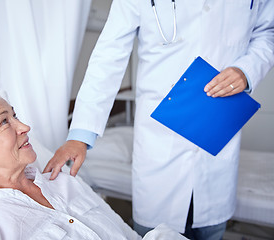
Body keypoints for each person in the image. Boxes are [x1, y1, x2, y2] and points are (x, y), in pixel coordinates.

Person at [43, 0, 274, 239]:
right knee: (155, 232)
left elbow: (268, 32)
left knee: (211, 230)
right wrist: (80, 136)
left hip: (217, 145)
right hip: (160, 148)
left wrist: (247, 70)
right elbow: (108, 57)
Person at [0, 83, 186, 240]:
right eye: (5, 121)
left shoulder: (61, 180)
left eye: (15, 116)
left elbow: (127, 234)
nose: (25, 126)